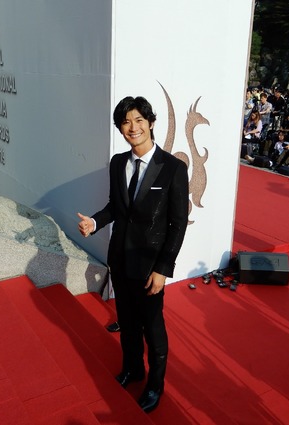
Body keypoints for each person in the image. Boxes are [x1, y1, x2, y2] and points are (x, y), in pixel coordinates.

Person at [77, 96, 189, 413]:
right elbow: (116, 207)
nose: (133, 127)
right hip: (120, 259)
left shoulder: (173, 168)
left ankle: (155, 385)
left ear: (151, 123)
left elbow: (178, 224)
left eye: (139, 120)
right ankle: (133, 369)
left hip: (151, 266)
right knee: (127, 323)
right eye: (126, 122)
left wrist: (163, 269)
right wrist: (95, 222)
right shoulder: (117, 163)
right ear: (120, 128)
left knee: (153, 328)